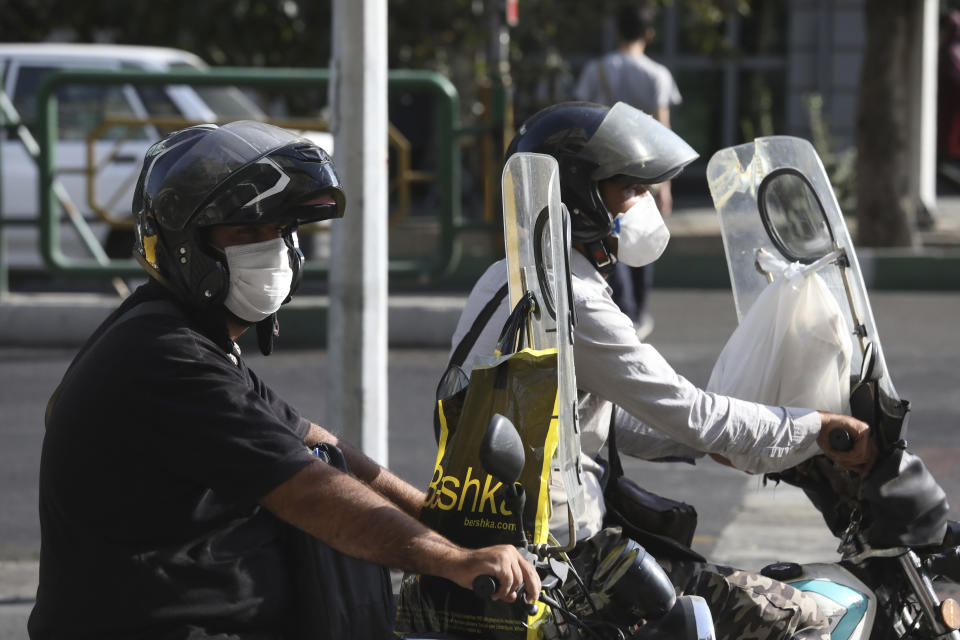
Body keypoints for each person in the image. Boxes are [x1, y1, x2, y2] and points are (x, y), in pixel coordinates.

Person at [28, 121, 539, 639]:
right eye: (246, 233)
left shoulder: (185, 335)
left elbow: (312, 441)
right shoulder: (166, 357)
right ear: (190, 246)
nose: (271, 249)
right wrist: (450, 559)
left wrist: (440, 517)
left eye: (279, 232)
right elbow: (309, 491)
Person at [448, 102, 877, 640]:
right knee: (800, 618)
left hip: (515, 538)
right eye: (631, 189)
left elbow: (578, 420)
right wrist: (819, 428)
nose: (647, 206)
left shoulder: (505, 279)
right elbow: (692, 411)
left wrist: (699, 446)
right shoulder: (573, 299)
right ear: (580, 199)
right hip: (568, 562)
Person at [573, 2, 682, 339]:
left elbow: (580, 116)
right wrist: (664, 185)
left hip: (602, 172)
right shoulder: (657, 75)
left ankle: (621, 311)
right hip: (641, 173)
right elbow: (662, 133)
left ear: (618, 31)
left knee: (606, 238)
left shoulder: (596, 70)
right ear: (649, 33)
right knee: (640, 235)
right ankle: (637, 316)